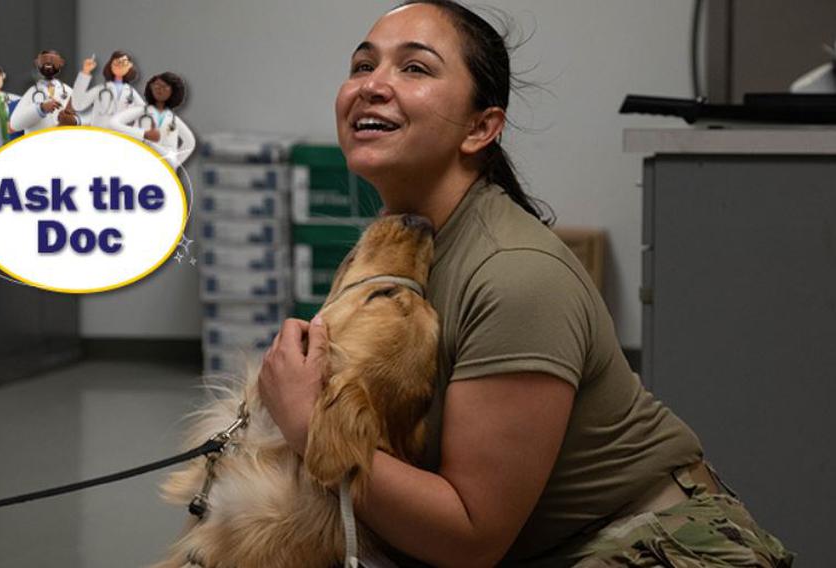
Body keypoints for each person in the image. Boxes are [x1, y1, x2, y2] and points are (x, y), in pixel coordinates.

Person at [257, 2, 794, 566]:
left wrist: (307, 425)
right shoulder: (395, 249)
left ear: (481, 127)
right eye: (363, 66)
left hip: (653, 548)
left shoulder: (515, 273)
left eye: (414, 68)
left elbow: (470, 536)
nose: (372, 85)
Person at [109, 72, 195, 170]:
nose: (159, 89)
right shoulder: (141, 111)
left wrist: (173, 163)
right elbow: (113, 123)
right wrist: (143, 134)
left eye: (165, 86)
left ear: (174, 91)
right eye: (157, 85)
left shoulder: (173, 119)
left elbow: (190, 143)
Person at [9, 50, 81, 133]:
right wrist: (41, 109)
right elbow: (14, 124)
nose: (48, 63)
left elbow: (88, 118)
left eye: (53, 60)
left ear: (61, 63)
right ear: (37, 63)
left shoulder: (69, 91)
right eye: (44, 60)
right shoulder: (32, 93)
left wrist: (75, 120)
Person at [71, 50, 143, 129]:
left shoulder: (131, 92)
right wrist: (86, 71)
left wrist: (134, 129)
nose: (120, 65)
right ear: (110, 66)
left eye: (124, 63)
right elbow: (78, 104)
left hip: (121, 137)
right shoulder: (101, 89)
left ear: (130, 65)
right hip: (101, 135)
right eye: (116, 63)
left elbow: (144, 111)